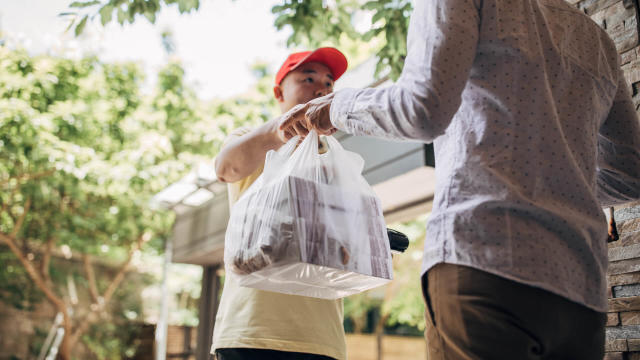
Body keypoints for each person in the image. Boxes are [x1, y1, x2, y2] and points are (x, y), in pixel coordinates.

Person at [280, 0, 640, 359]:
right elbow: (630, 174)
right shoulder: (595, 38)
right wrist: (550, 174)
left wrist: (334, 107)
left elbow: (421, 108)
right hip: (580, 290)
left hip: (485, 262)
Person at [211, 47, 348, 360]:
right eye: (308, 77)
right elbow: (225, 168)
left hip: (321, 338)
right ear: (278, 91)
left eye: (329, 83)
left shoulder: (337, 161)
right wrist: (282, 129)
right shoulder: (254, 139)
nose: (321, 87)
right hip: (251, 331)